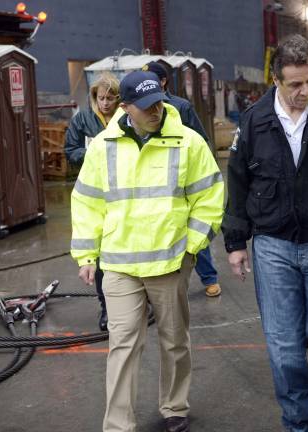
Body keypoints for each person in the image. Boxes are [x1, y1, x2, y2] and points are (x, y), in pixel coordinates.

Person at [222, 34, 308, 432]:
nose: (305, 91)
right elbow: (238, 181)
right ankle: (300, 420)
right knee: (285, 350)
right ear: (275, 80)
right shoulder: (254, 118)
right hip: (272, 244)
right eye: (295, 84)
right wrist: (235, 242)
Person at [70, 71, 224, 432]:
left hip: (169, 263)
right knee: (122, 345)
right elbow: (88, 203)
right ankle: (118, 424)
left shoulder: (188, 143)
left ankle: (174, 406)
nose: (155, 110)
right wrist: (87, 255)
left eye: (158, 102)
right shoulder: (103, 147)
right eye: (145, 106)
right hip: (120, 265)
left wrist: (192, 246)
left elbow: (210, 197)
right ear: (125, 108)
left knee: (174, 342)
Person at [143, 61, 222, 298]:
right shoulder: (137, 109)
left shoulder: (181, 107)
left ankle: (209, 277)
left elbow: (201, 141)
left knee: (193, 230)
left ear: (164, 82)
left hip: (182, 181)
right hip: (152, 182)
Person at [64, 72, 120, 331]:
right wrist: (96, 151)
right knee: (99, 255)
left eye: (110, 98)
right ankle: (106, 308)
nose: (105, 103)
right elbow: (71, 152)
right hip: (95, 193)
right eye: (101, 98)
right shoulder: (83, 120)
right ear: (94, 98)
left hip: (123, 194)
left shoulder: (127, 120)